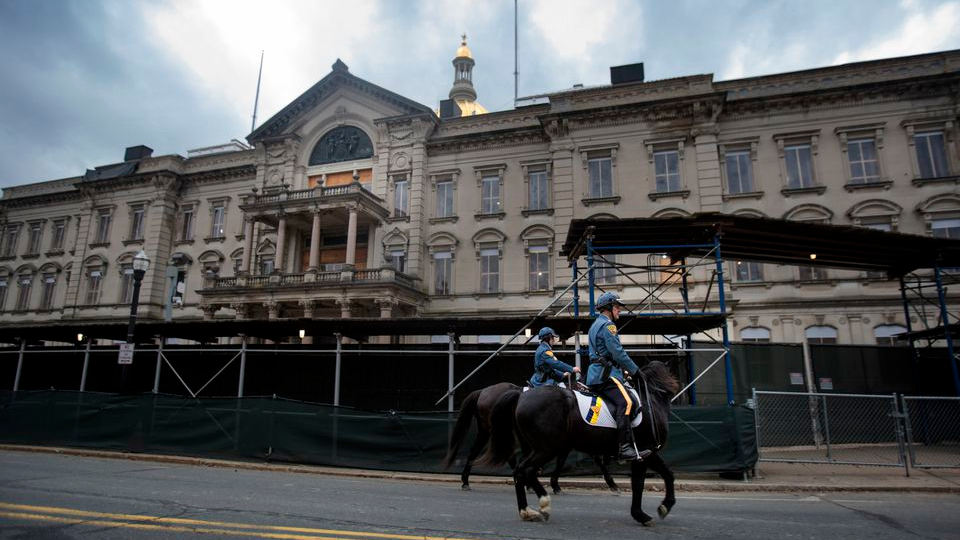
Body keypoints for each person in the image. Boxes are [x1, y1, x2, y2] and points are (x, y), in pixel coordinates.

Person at [585, 291, 644, 462]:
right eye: (617, 307)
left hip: (595, 375)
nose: (619, 310)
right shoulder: (608, 326)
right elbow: (618, 353)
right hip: (607, 375)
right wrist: (635, 371)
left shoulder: (595, 325)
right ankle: (624, 448)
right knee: (626, 402)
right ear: (609, 308)